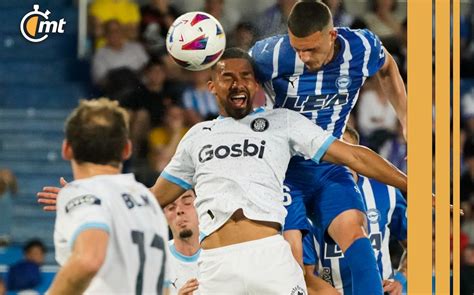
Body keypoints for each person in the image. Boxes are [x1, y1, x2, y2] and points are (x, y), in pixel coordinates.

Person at [40, 48, 406, 294]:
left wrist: (413, 185)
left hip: (270, 259)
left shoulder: (284, 123)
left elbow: (353, 156)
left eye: (246, 76)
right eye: (227, 77)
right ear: (211, 85)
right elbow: (152, 200)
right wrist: (93, 199)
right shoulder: (197, 136)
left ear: (257, 84)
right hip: (214, 266)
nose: (238, 83)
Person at [249, 2, 407, 294]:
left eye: (311, 49)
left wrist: (408, 119)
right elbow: (236, 81)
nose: (304, 57)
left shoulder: (360, 47)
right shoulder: (270, 55)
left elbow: (387, 68)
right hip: (284, 169)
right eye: (298, 49)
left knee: (358, 241)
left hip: (329, 164)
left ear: (331, 35)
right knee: (293, 264)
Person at [47, 99, 171, 294]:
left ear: (67, 149)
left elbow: (89, 259)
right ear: (127, 149)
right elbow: (164, 287)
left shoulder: (82, 192)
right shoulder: (149, 202)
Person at [303, 127, 407, 295]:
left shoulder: (386, 191)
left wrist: (401, 278)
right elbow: (303, 273)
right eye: (333, 150)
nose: (339, 155)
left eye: (345, 149)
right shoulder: (305, 199)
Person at [162, 190, 201, 295]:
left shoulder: (218, 251)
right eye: (171, 207)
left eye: (187, 203)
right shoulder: (157, 260)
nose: (179, 210)